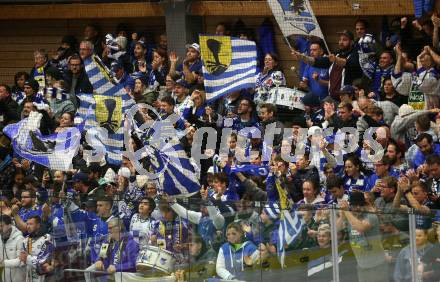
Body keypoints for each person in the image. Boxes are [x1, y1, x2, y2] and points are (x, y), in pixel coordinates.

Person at [338, 192, 389, 282]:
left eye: (360, 205)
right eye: (354, 205)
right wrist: (342, 216)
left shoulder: (371, 216)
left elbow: (360, 228)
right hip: (361, 265)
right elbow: (336, 229)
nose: (358, 207)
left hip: (377, 265)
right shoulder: (350, 217)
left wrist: (346, 211)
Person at [85, 217, 139, 282]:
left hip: (123, 273)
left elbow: (132, 264)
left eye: (110, 228)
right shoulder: (107, 241)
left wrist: (117, 268)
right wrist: (99, 260)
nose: (108, 230)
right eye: (108, 228)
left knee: (118, 275)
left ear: (118, 228)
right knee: (88, 271)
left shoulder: (131, 243)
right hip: (108, 271)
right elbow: (102, 254)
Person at [21, 215, 54, 282]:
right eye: (27, 224)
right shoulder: (26, 239)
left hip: (44, 277)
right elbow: (22, 260)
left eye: (31, 224)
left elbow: (42, 261)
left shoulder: (47, 238)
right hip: (29, 277)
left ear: (38, 225)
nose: (28, 226)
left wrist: (27, 258)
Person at [0, 215, 26, 282]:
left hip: (18, 278)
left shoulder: (20, 238)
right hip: (5, 277)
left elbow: (21, 261)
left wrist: (3, 263)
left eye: (1, 226)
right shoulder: (0, 237)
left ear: (9, 225)